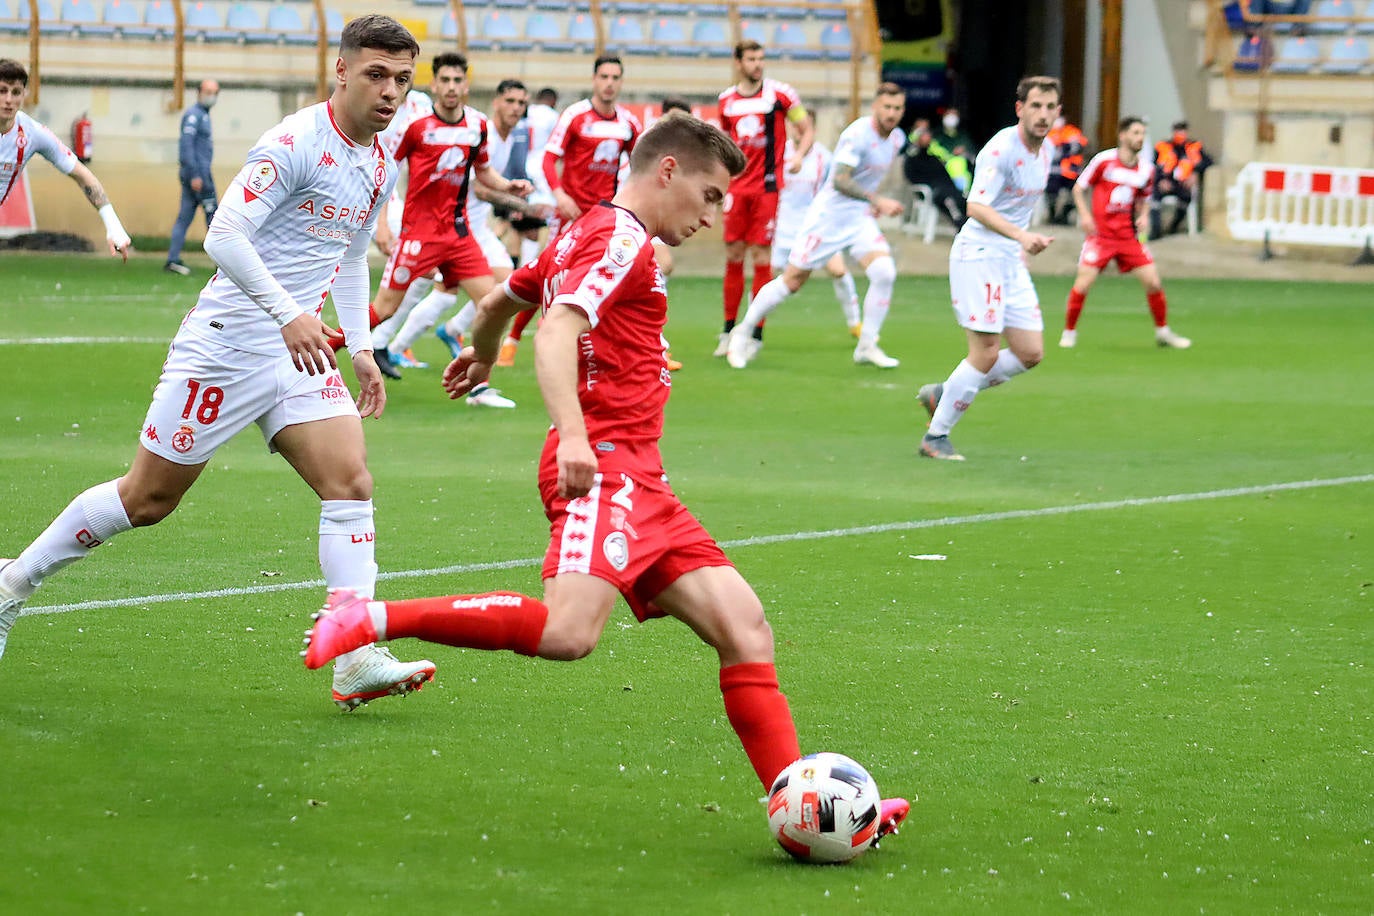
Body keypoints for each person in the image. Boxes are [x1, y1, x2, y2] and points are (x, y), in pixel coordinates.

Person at [299, 112, 911, 844]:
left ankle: (804, 809)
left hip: (643, 480)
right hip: (606, 470)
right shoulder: (621, 239)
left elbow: (499, 302)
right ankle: (367, 620)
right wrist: (577, 438)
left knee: (746, 629)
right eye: (711, 196)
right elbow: (558, 327)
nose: (716, 216)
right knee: (568, 633)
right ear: (667, 172)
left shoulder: (584, 231)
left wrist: (487, 356)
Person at [0, 15, 439, 710]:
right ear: (342, 71)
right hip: (230, 341)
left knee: (350, 482)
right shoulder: (294, 142)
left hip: (300, 351)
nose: (390, 92)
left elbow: (352, 256)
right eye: (377, 75)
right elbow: (225, 236)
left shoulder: (382, 161)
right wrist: (289, 313)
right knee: (146, 501)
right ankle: (10, 586)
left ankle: (353, 652)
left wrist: (360, 345)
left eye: (402, 80)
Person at [916, 76, 1060, 462]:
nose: (1043, 115)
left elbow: (1021, 207)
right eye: (1036, 106)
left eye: (1050, 107)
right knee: (986, 352)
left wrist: (1020, 245)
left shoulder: (1046, 152)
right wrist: (1020, 236)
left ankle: (946, 393)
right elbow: (976, 207)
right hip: (979, 253)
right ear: (1020, 109)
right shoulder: (1001, 149)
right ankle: (936, 437)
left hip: (1010, 257)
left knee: (1030, 353)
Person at [368, 52, 534, 388]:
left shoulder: (478, 125)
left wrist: (508, 186)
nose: (451, 87)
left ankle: (477, 383)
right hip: (421, 233)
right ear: (434, 84)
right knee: (389, 305)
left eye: (457, 80)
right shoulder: (416, 127)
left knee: (492, 304)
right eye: (444, 80)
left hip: (463, 233)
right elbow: (385, 174)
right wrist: (383, 224)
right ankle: (337, 346)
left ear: (467, 85)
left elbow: (484, 173)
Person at [725, 83, 907, 370]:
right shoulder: (857, 135)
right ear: (875, 106)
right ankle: (742, 333)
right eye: (886, 107)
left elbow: (868, 179)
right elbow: (840, 180)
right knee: (793, 281)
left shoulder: (897, 139)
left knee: (884, 272)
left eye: (897, 108)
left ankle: (867, 344)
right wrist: (877, 200)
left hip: (859, 217)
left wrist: (871, 203)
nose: (891, 113)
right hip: (829, 218)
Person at [499, 56, 642, 368]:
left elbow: (641, 164)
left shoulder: (628, 123)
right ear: (594, 80)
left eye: (615, 77)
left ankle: (613, 347)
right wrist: (560, 195)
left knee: (611, 276)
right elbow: (550, 159)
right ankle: (513, 337)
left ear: (621, 82)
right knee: (550, 275)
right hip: (570, 215)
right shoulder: (575, 116)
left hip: (606, 217)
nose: (609, 83)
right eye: (604, 76)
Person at [714, 40, 812, 357]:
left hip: (767, 188)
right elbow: (724, 146)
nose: (757, 64)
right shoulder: (726, 101)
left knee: (761, 257)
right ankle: (728, 331)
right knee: (733, 254)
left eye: (761, 58)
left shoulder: (780, 94)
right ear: (738, 63)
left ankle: (755, 333)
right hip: (737, 190)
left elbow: (805, 128)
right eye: (751, 59)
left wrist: (798, 154)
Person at [1060, 116, 1191, 350]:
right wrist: (1085, 216)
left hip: (1127, 236)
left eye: (1142, 134)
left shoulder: (1146, 169)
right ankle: (1069, 332)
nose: (1139, 138)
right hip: (1101, 236)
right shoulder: (1104, 161)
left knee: (1152, 282)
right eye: (1135, 133)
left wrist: (1143, 215)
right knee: (1083, 283)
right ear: (1123, 135)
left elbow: (1145, 197)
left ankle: (1163, 332)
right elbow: (1079, 188)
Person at [0, 58, 131, 260]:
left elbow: (82, 175)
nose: (9, 99)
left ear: (24, 94)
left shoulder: (33, 133)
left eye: (15, 92)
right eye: (2, 91)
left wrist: (112, 223)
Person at [771, 113, 862, 336]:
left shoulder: (825, 158)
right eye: (796, 126)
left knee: (838, 270)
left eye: (806, 126)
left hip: (816, 226)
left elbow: (836, 189)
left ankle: (856, 324)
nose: (800, 130)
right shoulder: (779, 153)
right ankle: (751, 328)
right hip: (782, 227)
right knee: (769, 276)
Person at [164, 79, 220, 276]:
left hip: (195, 174)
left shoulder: (203, 115)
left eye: (214, 92)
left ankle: (172, 259)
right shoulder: (194, 116)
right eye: (208, 91)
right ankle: (222, 262)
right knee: (215, 219)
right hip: (199, 176)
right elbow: (186, 146)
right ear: (199, 92)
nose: (211, 96)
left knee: (185, 217)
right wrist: (195, 174)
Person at [902, 118, 967, 232]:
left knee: (962, 199)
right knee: (948, 199)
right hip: (934, 191)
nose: (927, 138)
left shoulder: (934, 157)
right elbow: (912, 177)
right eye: (923, 134)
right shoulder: (912, 158)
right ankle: (960, 224)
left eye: (927, 134)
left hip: (948, 188)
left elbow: (944, 173)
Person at [1150, 120, 1211, 239]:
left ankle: (1174, 226)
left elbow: (1207, 162)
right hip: (1166, 182)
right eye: (1178, 131)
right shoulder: (1163, 147)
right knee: (1155, 196)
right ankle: (1155, 230)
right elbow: (1153, 166)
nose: (1180, 134)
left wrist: (1196, 174)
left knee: (1186, 198)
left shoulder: (1194, 147)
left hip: (1184, 183)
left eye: (1183, 131)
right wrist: (1160, 180)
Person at [1045, 115, 1088, 225]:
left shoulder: (1071, 131)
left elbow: (1077, 147)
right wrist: (1063, 147)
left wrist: (1061, 147)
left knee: (1075, 194)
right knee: (1050, 192)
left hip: (1071, 172)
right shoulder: (1047, 132)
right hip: (1053, 172)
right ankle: (1053, 215)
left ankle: (1064, 215)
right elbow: (1046, 150)